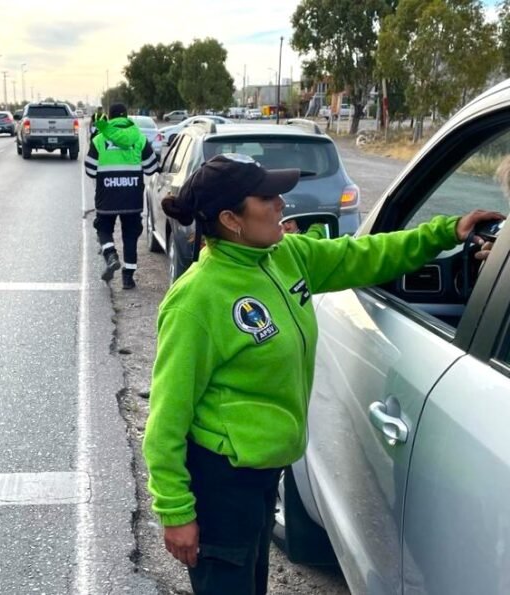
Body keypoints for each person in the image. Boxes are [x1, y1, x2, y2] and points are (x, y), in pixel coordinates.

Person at [142, 153, 503, 595]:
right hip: (222, 485)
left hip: (262, 475)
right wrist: (176, 512)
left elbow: (362, 254)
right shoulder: (196, 301)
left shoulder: (285, 256)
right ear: (230, 219)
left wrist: (445, 232)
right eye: (268, 197)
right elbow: (165, 422)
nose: (281, 204)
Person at [85, 102, 159, 289]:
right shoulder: (139, 138)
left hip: (106, 197)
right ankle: (128, 278)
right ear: (126, 117)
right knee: (130, 236)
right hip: (132, 197)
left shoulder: (99, 139)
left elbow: (90, 170)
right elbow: (151, 168)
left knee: (103, 229)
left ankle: (110, 255)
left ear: (109, 118)